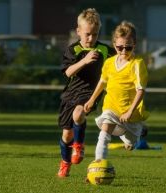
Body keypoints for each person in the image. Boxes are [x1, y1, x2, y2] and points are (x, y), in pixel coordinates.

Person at [57, 8, 115, 178]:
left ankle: (79, 145)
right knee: (66, 134)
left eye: (95, 34)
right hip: (70, 94)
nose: (91, 38)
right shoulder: (73, 50)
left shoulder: (104, 50)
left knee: (79, 113)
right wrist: (85, 60)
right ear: (78, 31)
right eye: (88, 34)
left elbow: (118, 59)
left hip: (91, 92)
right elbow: (68, 72)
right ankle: (65, 162)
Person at [84, 21, 149, 161]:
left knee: (130, 143)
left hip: (131, 114)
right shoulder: (109, 63)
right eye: (120, 48)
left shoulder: (137, 64)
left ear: (135, 44)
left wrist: (130, 111)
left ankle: (132, 137)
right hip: (111, 107)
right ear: (114, 45)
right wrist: (91, 99)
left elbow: (140, 90)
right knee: (104, 132)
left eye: (128, 47)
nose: (124, 51)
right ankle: (98, 165)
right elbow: (102, 82)